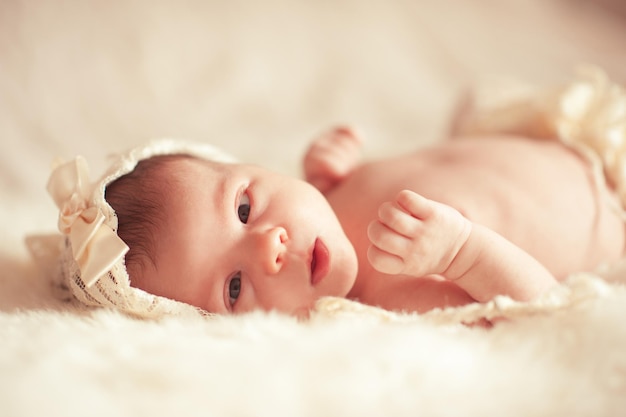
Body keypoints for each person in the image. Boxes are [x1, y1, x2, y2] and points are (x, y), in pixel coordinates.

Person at [44, 67, 626, 319]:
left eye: (245, 207)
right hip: (610, 213)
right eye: (235, 286)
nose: (269, 245)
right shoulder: (394, 293)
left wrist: (336, 171)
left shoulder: (325, 195)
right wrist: (463, 254)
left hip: (570, 131)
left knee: (475, 102)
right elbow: (539, 308)